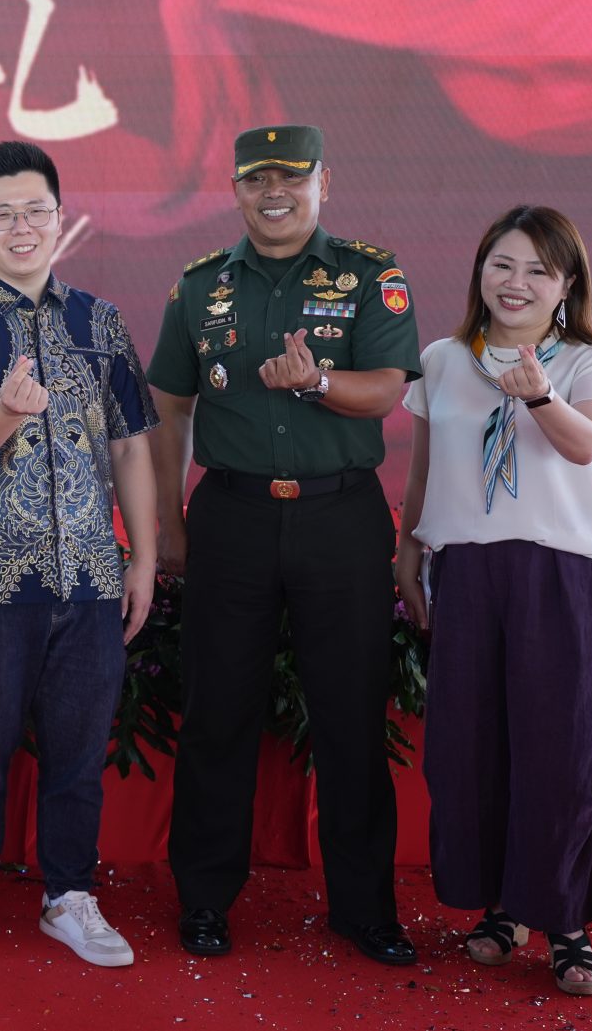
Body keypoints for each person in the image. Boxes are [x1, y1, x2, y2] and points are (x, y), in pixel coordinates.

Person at [148, 124, 420, 965]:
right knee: (217, 713)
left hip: (341, 518)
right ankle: (204, 898)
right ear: (235, 189)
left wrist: (319, 381)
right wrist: (169, 521)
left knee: (349, 716)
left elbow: (385, 390)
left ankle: (364, 908)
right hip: (231, 517)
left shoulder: (370, 274)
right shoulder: (200, 285)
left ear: (322, 184)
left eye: (291, 177)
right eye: (257, 178)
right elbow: (171, 408)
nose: (275, 192)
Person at [0, 141, 157, 966]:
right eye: (3, 214)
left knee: (79, 748)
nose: (21, 227)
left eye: (36, 211)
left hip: (91, 572)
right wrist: (8, 412)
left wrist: (143, 558)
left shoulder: (100, 321)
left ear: (61, 217)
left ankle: (69, 894)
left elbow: (131, 445)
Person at [395, 206, 592, 998]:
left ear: (566, 284)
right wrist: (409, 550)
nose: (516, 282)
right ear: (480, 272)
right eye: (502, 263)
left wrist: (538, 396)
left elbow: (585, 443)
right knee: (474, 747)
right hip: (469, 573)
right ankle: (502, 904)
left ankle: (565, 921)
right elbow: (424, 470)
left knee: (565, 754)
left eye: (537, 269)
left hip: (564, 577)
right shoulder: (443, 360)